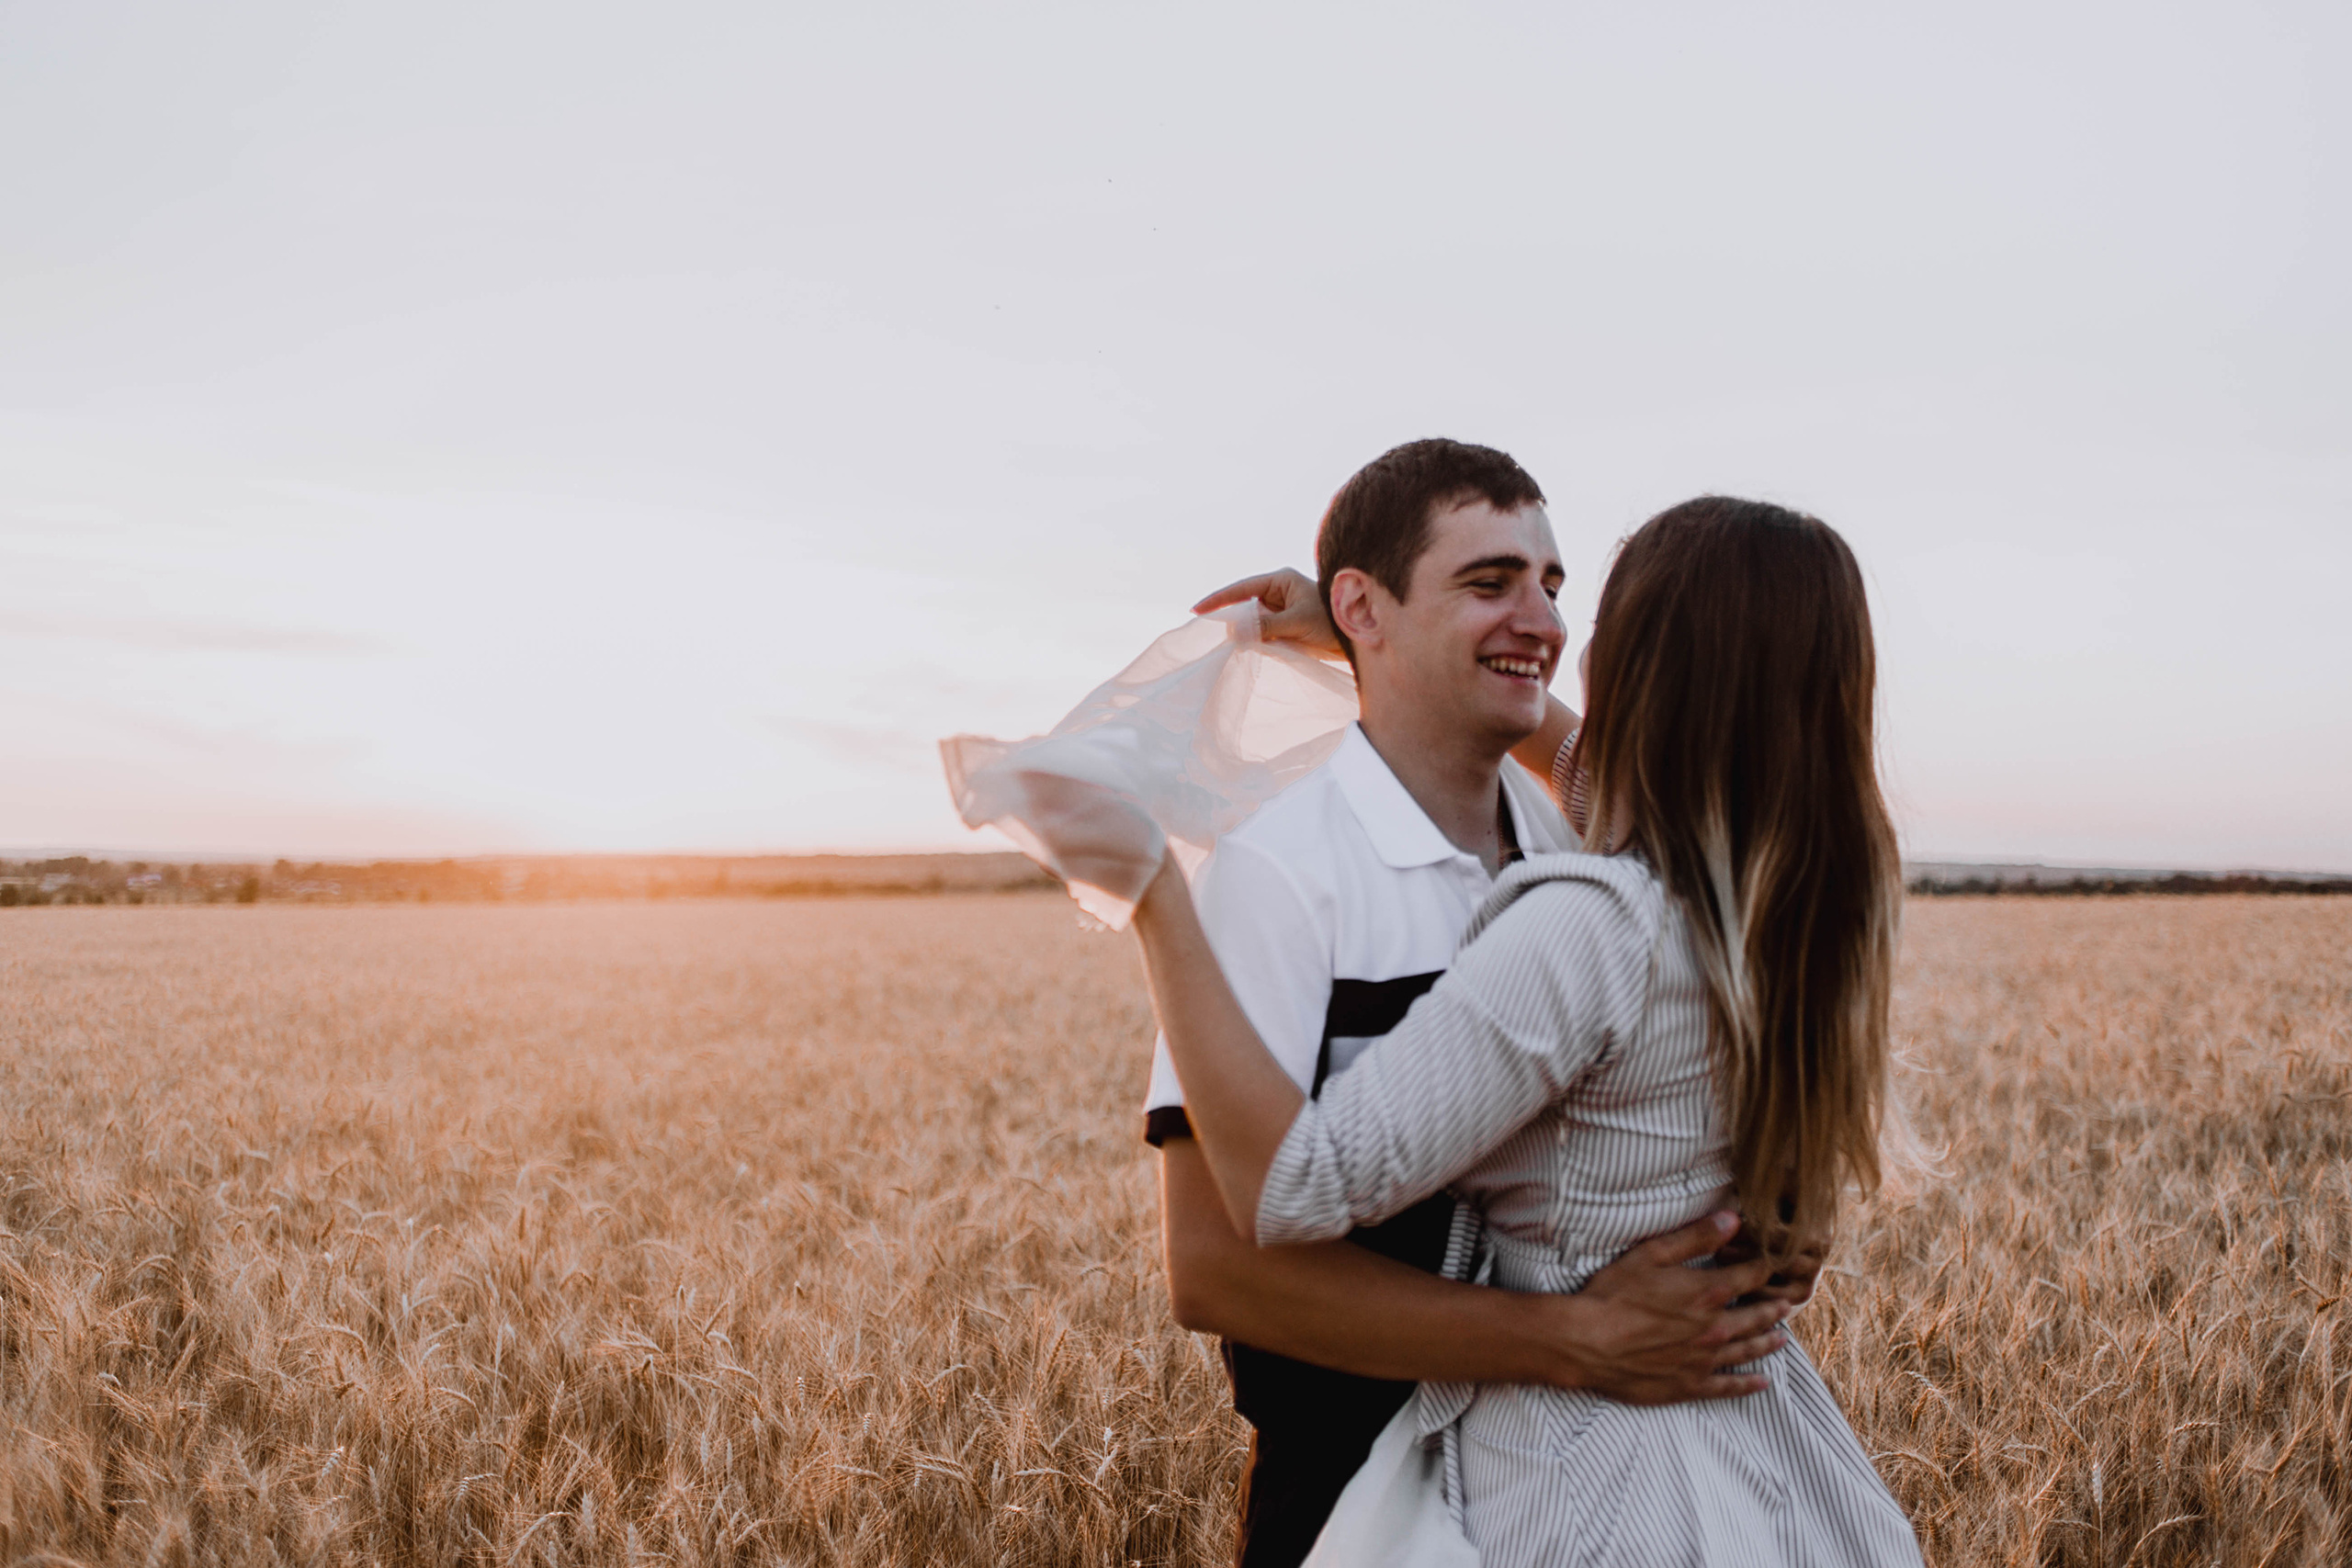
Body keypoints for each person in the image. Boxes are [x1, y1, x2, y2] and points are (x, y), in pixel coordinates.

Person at [1132, 496, 1923, 1565]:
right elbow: (1608, 767)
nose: (1553, 632)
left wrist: (1153, 891)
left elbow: (1294, 1187)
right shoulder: (1807, 901)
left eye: (1579, 606)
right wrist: (1375, 639)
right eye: (1496, 585)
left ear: (1642, 663)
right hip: (1763, 1461)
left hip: (1584, 1488)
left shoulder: (1593, 924)